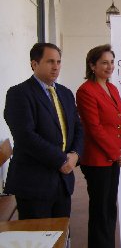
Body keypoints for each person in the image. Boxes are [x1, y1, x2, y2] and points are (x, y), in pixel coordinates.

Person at [4, 42, 83, 219]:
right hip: (35, 183)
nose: (56, 67)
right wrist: (62, 159)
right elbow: (26, 136)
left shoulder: (65, 93)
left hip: (63, 182)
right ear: (34, 64)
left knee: (61, 237)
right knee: (38, 240)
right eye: (50, 62)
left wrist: (76, 154)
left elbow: (78, 127)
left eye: (58, 61)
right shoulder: (19, 94)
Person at [76, 44, 121, 248]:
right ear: (92, 65)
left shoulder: (112, 88)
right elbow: (94, 128)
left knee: (109, 208)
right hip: (97, 160)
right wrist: (116, 152)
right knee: (100, 210)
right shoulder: (85, 91)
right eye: (104, 62)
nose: (109, 66)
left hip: (114, 157)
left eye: (112, 62)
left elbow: (120, 122)